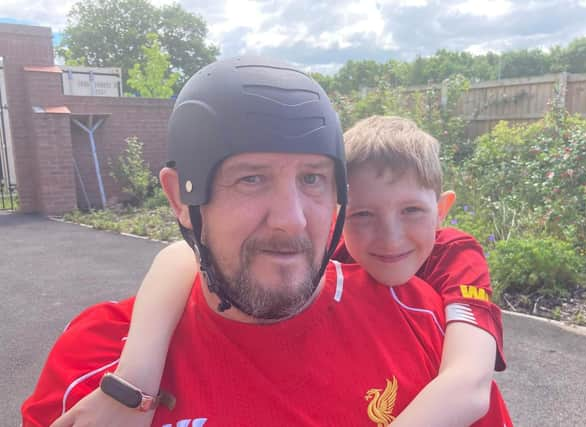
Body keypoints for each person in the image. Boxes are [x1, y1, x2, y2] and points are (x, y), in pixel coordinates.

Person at [23, 57, 510, 426]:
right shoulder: (97, 366)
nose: (291, 222)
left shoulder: (421, 322)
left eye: (314, 180)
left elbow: (469, 388)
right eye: (251, 179)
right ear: (180, 199)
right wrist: (131, 384)